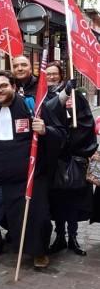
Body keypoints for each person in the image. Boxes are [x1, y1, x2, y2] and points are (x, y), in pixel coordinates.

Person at [0, 70, 65, 269]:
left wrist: (45, 130)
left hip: (29, 177)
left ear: (14, 87)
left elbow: (60, 133)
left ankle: (39, 252)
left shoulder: (33, 107)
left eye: (4, 86)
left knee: (38, 217)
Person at [45, 62, 97, 257]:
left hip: (74, 158)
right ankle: (59, 236)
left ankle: (73, 237)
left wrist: (72, 131)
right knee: (57, 199)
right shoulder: (45, 96)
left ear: (61, 75)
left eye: (54, 74)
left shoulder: (76, 96)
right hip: (54, 159)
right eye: (47, 74)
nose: (50, 77)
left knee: (74, 199)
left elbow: (87, 123)